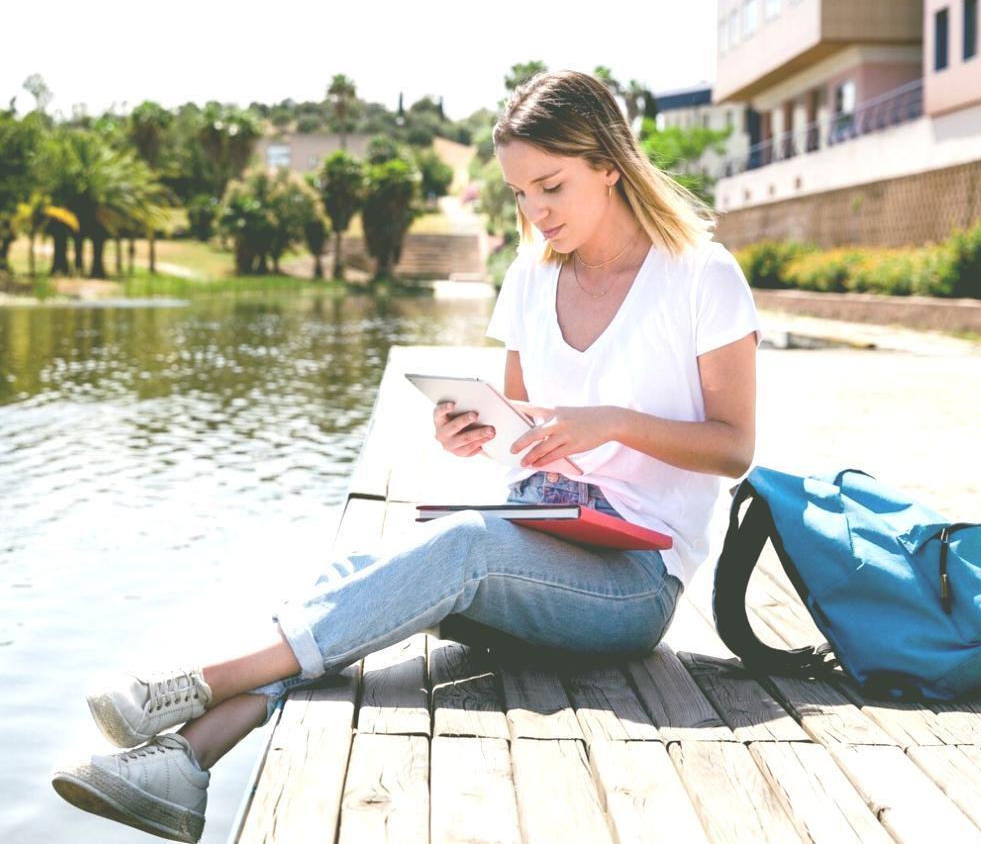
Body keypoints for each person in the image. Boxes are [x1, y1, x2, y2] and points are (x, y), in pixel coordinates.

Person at [49, 69, 763, 841]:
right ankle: (189, 759)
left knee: (459, 547)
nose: (535, 211)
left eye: (550, 186)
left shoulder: (701, 275)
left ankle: (194, 684)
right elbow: (531, 437)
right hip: (543, 533)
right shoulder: (531, 276)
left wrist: (615, 422)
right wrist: (483, 436)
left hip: (634, 584)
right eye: (520, 193)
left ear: (608, 164)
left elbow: (734, 446)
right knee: (367, 570)